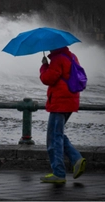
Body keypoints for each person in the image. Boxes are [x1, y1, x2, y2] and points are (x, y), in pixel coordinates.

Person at [39, 46, 86, 183]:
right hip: (70, 101)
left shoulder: (57, 59)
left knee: (53, 137)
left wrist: (43, 66)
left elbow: (48, 79)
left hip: (60, 102)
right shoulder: (72, 56)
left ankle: (59, 173)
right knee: (57, 134)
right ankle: (76, 159)